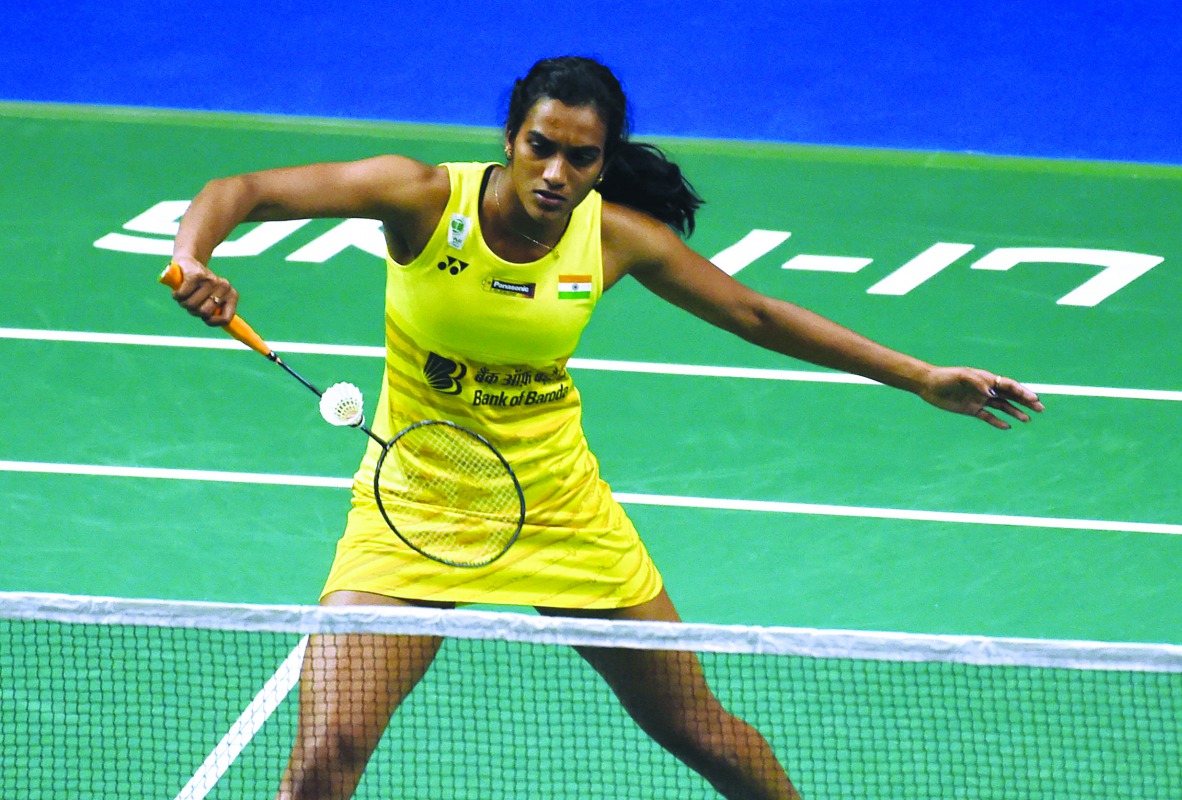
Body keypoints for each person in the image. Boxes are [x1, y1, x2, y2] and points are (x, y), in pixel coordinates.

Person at [168, 56, 1043, 800]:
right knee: (325, 758)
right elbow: (239, 190)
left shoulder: (617, 238)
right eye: (540, 147)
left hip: (561, 510)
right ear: (509, 139)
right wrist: (194, 254)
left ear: (601, 165)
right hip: (415, 504)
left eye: (579, 158)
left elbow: (759, 315)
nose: (554, 172)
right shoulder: (422, 198)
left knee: (701, 732)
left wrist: (920, 376)